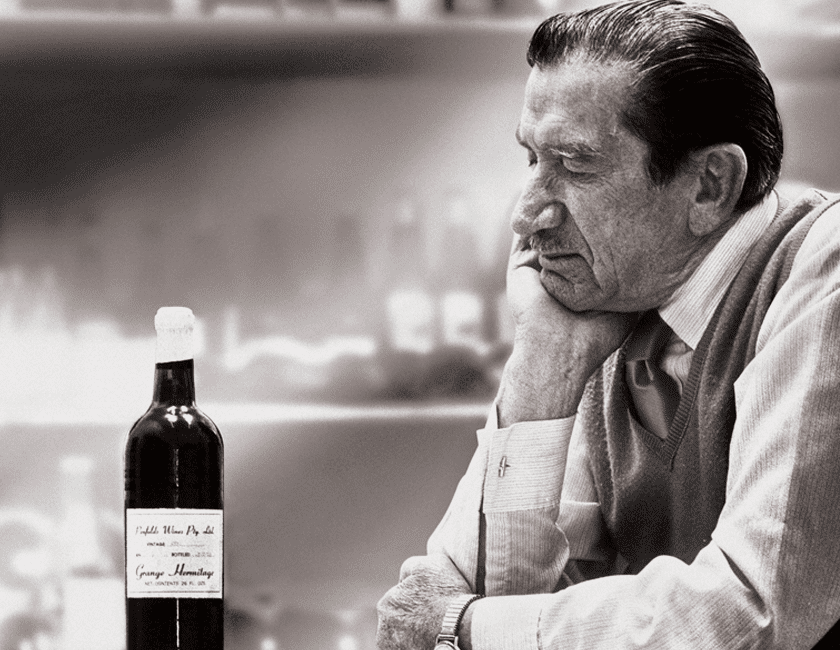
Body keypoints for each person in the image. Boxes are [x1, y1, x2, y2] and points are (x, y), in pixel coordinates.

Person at [375, 1, 840, 648]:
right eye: (530, 158)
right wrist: (543, 366)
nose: (527, 213)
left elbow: (756, 611)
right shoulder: (618, 294)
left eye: (574, 164)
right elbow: (484, 589)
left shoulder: (825, 267)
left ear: (710, 185)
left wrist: (466, 625)